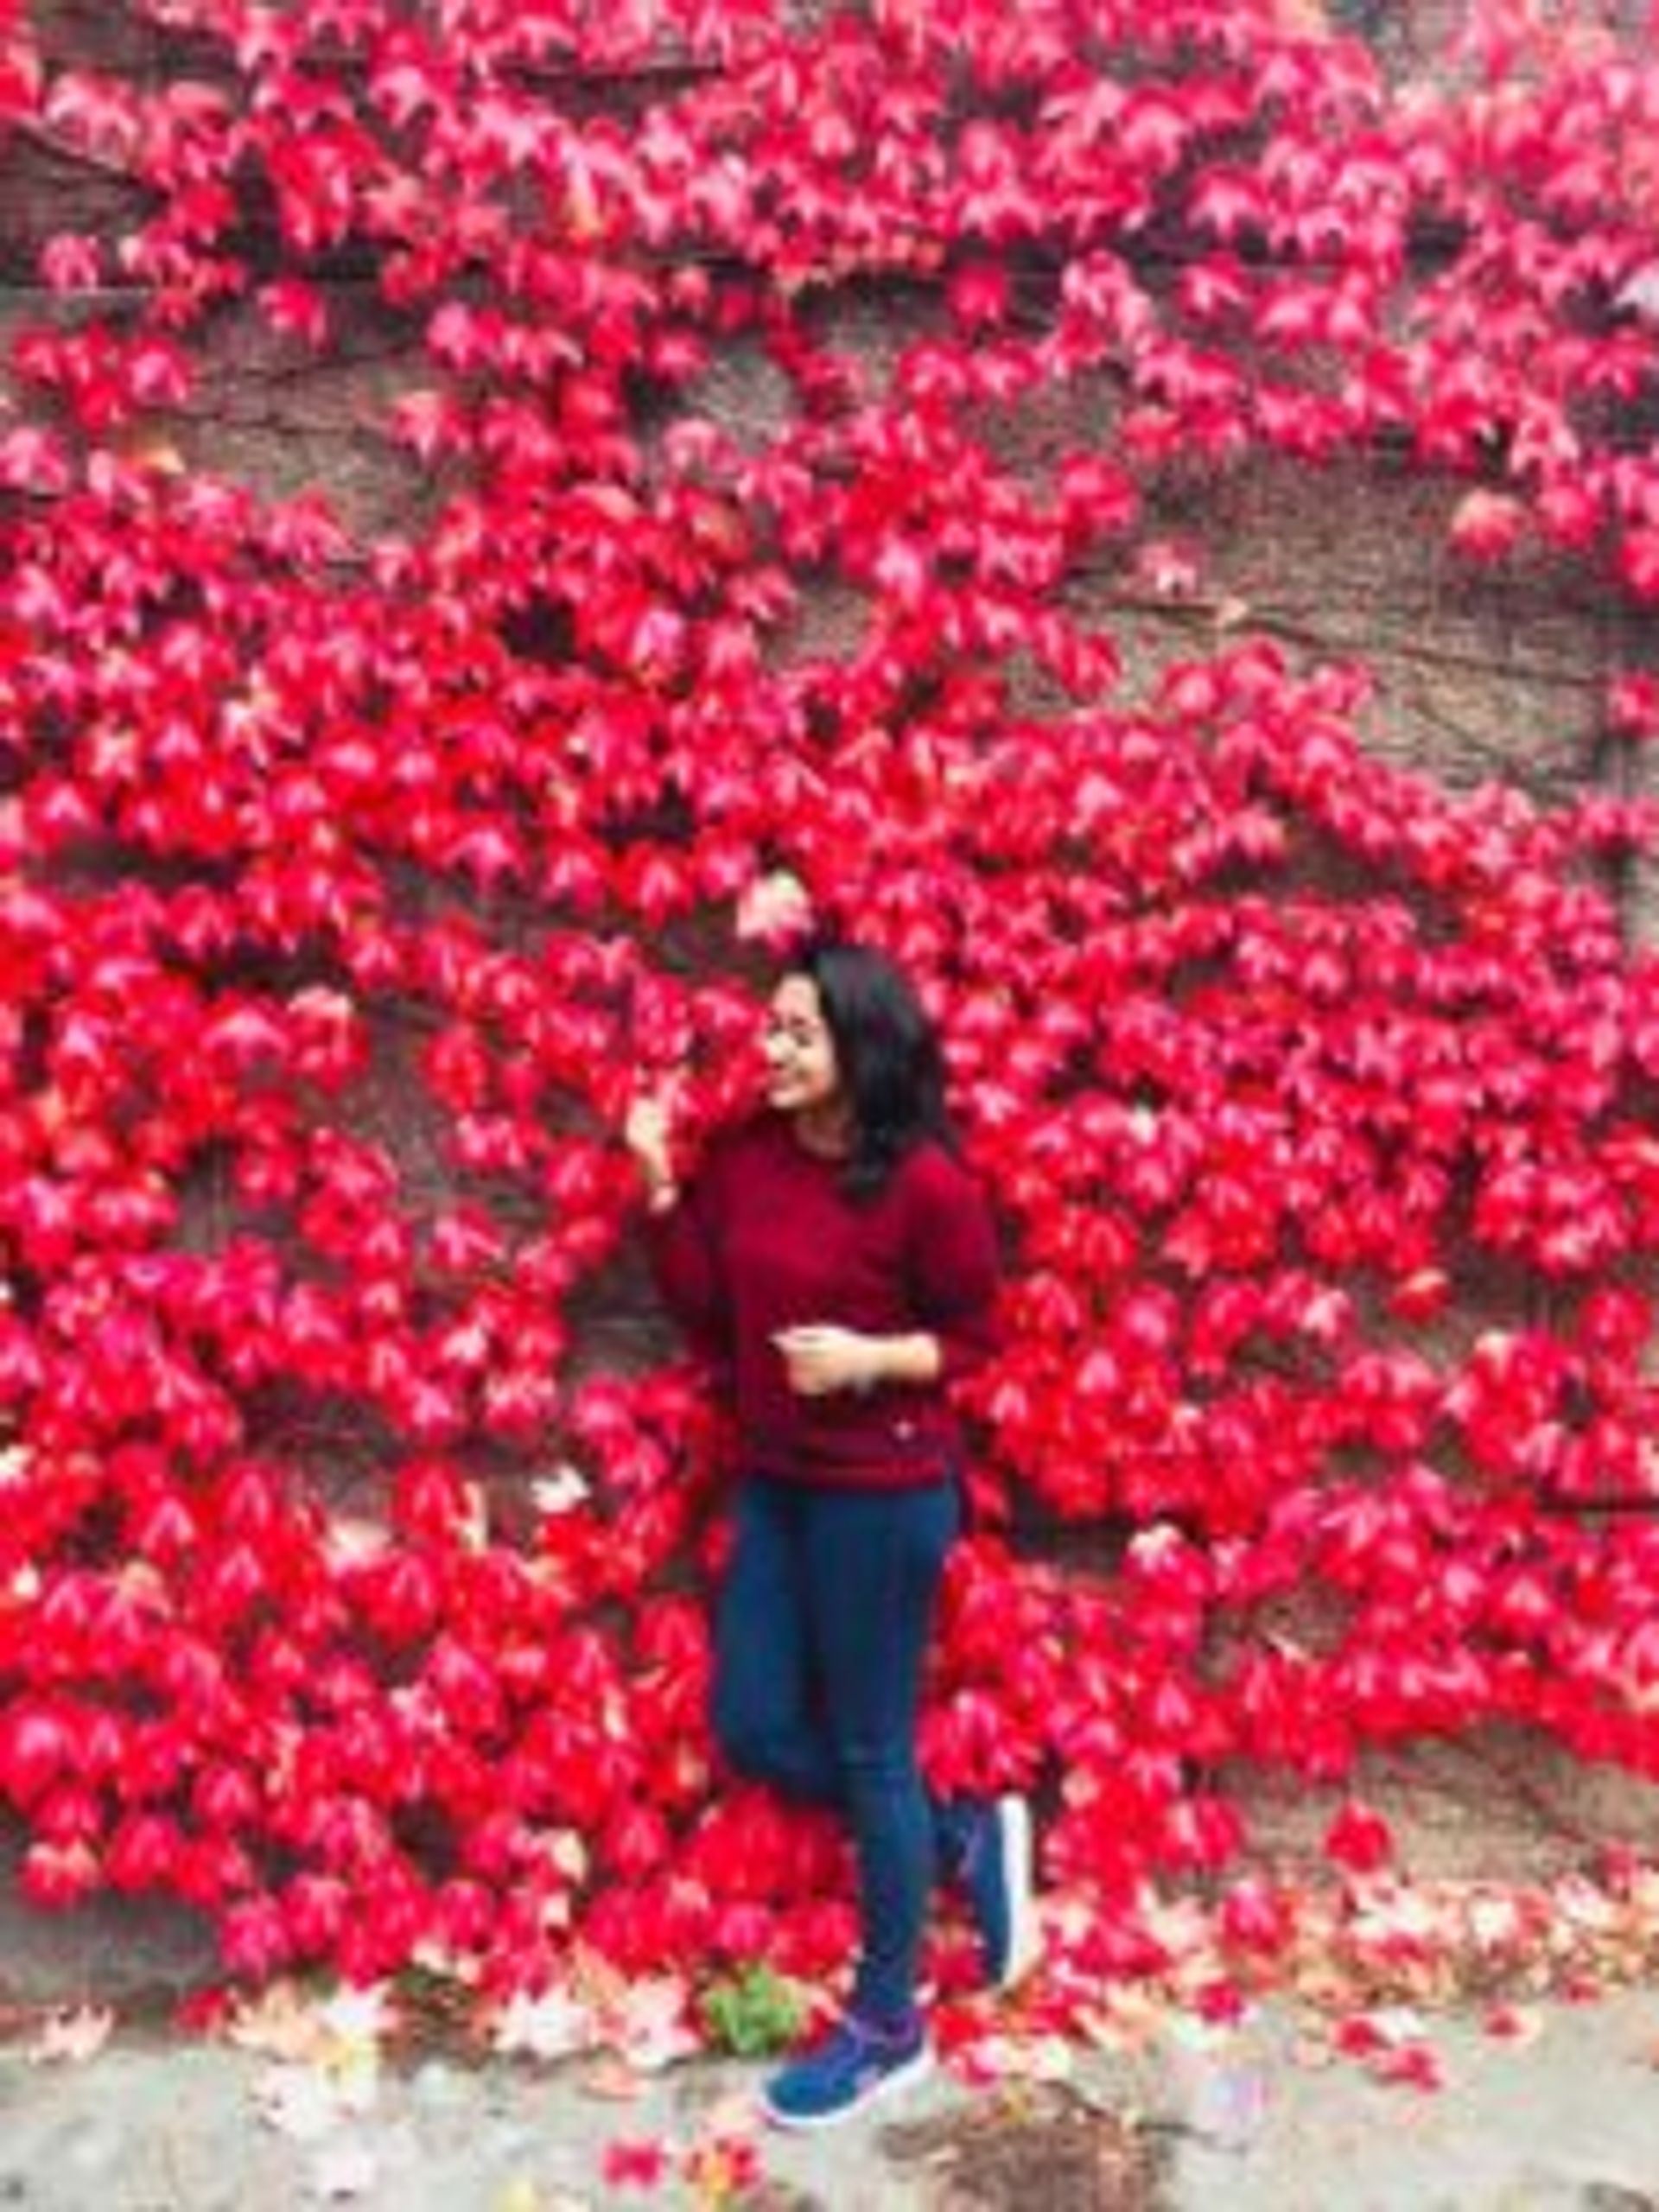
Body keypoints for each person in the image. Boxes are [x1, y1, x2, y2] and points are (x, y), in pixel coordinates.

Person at [625, 938, 1037, 2131]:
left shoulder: (922, 1185)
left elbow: (976, 1337)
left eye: (800, 1032)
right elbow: (710, 1308)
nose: (774, 1049)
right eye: (772, 1029)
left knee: (868, 1748)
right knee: (753, 1726)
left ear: (861, 1046)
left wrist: (870, 1361)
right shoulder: (751, 1158)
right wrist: (659, 1182)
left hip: (884, 1492)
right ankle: (960, 1831)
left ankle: (890, 2024)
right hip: (778, 1482)